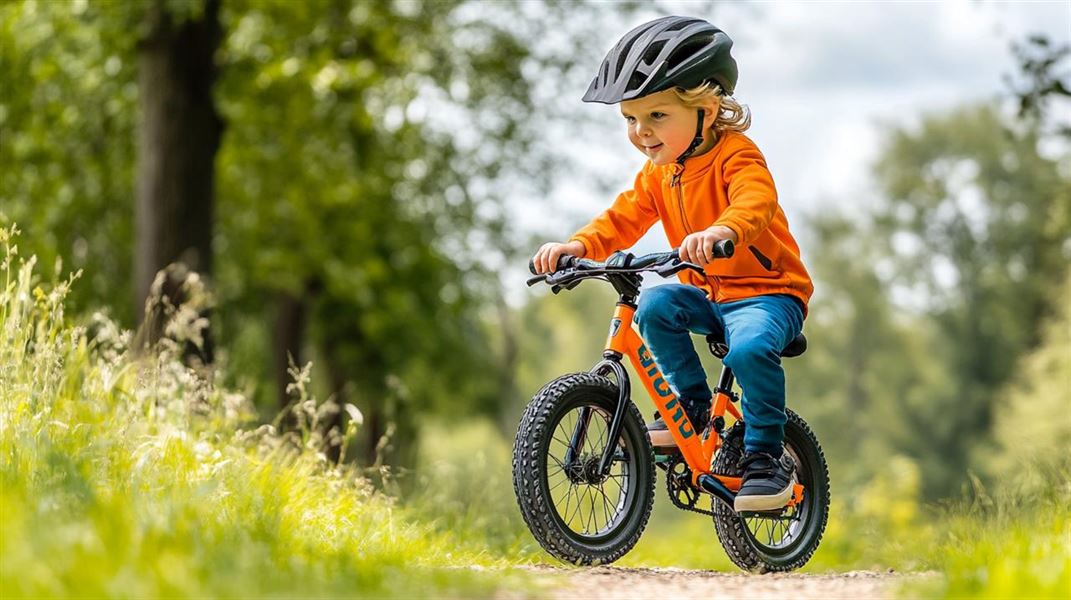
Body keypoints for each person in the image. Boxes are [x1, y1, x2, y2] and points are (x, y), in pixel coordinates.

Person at [531, 16, 814, 512]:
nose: (641, 132)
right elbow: (623, 217)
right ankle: (693, 405)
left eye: (657, 116)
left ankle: (767, 455)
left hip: (767, 293)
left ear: (707, 107)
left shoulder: (737, 155)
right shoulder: (659, 174)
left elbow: (755, 201)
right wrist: (578, 247)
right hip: (709, 294)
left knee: (747, 352)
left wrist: (723, 231)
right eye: (630, 119)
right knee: (657, 303)